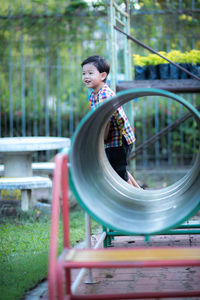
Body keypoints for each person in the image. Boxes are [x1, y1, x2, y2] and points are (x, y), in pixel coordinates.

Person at [81, 55, 140, 188]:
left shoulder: (105, 94)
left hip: (119, 140)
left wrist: (102, 138)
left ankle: (133, 197)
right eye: (84, 73)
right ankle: (140, 192)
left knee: (118, 173)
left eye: (90, 73)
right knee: (118, 169)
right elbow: (95, 117)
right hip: (113, 141)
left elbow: (105, 119)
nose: (86, 77)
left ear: (102, 76)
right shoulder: (93, 94)